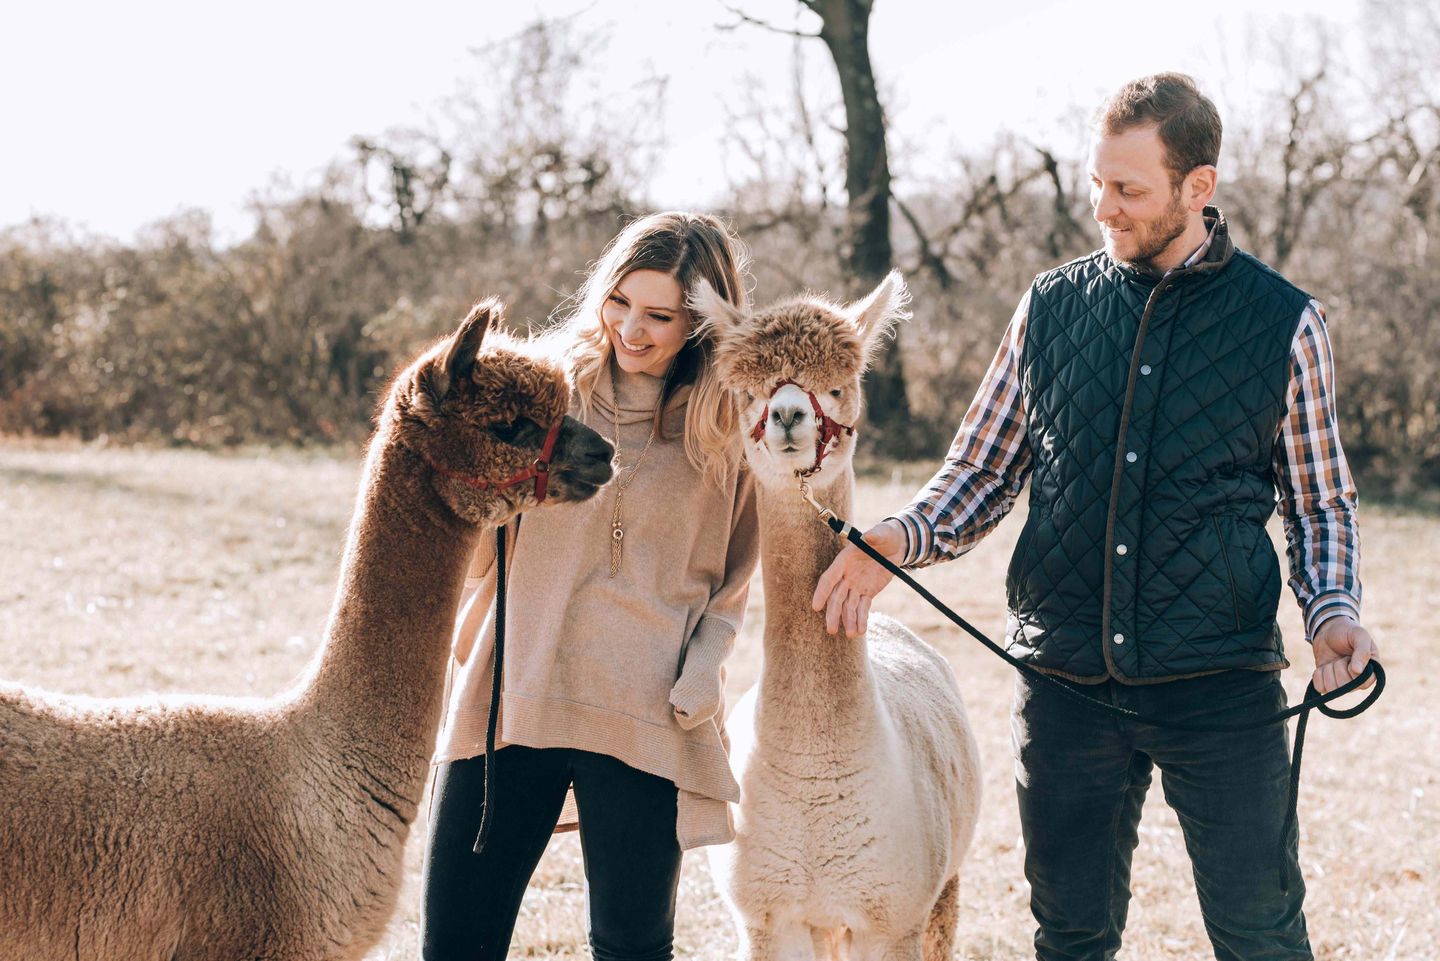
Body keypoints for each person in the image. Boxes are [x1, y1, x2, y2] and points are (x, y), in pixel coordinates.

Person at [812, 73, 1380, 960]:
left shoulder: (1285, 324)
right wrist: (894, 541)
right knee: (1069, 936)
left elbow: (1318, 500)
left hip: (1220, 685)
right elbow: (979, 471)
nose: (1104, 208)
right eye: (1096, 183)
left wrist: (1333, 612)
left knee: (1261, 933)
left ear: (1200, 188)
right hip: (1066, 684)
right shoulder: (1048, 307)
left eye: (1129, 189)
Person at [421, 212, 759, 961]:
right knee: (454, 946)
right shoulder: (540, 392)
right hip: (512, 697)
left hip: (646, 710)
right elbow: (464, 528)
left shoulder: (727, 428)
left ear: (701, 322)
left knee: (633, 949)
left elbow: (733, 582)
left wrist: (705, 666)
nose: (630, 329)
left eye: (660, 315)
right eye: (619, 302)